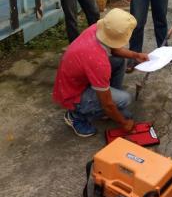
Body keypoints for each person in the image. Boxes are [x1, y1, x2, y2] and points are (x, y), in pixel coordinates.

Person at [53, 8, 149, 137]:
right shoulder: (98, 62)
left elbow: (114, 50)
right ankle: (75, 115)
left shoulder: (97, 29)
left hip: (78, 80)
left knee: (119, 61)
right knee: (125, 99)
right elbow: (107, 104)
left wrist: (135, 55)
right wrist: (123, 122)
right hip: (72, 94)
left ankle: (110, 101)